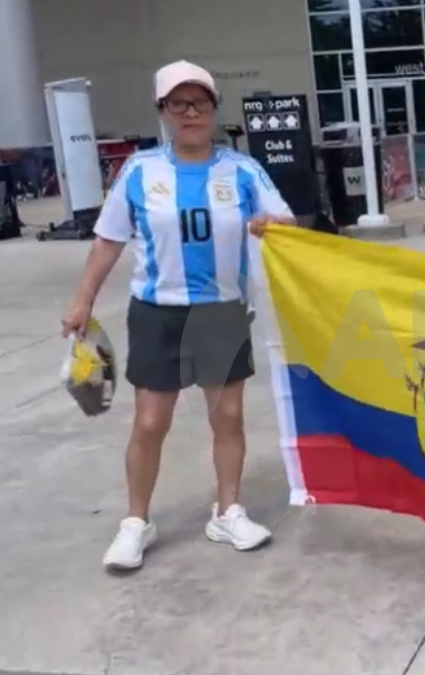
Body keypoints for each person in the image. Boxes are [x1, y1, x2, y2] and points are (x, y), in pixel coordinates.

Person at [61, 60, 296, 571]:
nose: (191, 112)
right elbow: (108, 241)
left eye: (200, 102)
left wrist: (271, 224)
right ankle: (136, 522)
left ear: (214, 109)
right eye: (178, 103)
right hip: (158, 312)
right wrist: (83, 300)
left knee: (227, 416)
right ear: (163, 111)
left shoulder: (244, 170)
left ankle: (228, 510)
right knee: (150, 422)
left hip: (221, 311)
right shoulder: (141, 171)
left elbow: (285, 222)